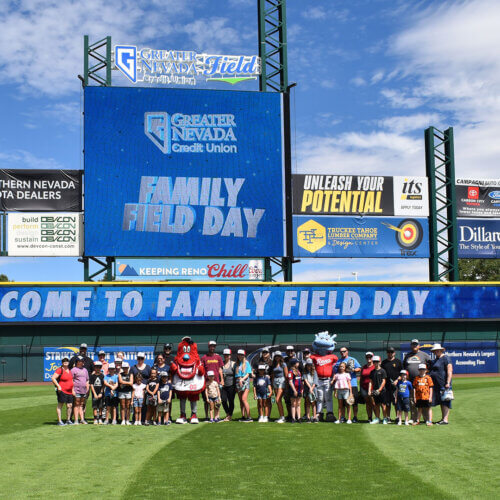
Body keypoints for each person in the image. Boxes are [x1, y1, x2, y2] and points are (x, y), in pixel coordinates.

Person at [403, 339, 431, 423]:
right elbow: (404, 368)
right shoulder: (407, 356)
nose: (414, 346)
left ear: (419, 345)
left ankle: (426, 419)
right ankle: (413, 418)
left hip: (422, 382)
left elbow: (430, 366)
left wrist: (426, 375)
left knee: (424, 400)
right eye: (413, 344)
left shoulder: (424, 355)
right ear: (411, 345)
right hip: (411, 382)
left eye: (416, 344)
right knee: (412, 400)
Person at [334, 346, 361, 422]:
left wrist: (353, 369)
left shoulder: (352, 359)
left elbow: (359, 368)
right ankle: (343, 417)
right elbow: (336, 372)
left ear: (347, 351)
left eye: (344, 351)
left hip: (352, 384)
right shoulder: (339, 361)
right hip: (342, 386)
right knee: (342, 403)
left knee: (353, 402)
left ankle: (355, 417)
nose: (342, 353)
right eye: (341, 351)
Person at [429, 343, 453, 425]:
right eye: (434, 351)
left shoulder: (446, 358)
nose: (435, 352)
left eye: (437, 350)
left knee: (445, 400)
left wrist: (448, 382)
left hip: (444, 383)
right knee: (441, 401)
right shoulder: (436, 359)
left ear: (440, 350)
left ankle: (445, 420)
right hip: (437, 384)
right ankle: (443, 419)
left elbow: (449, 370)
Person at [201, 341, 224, 421]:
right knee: (206, 400)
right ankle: (207, 416)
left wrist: (222, 380)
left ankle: (216, 416)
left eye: (213, 346)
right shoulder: (204, 357)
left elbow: (220, 369)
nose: (212, 348)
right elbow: (202, 370)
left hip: (216, 382)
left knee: (217, 401)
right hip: (206, 382)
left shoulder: (218, 357)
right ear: (208, 347)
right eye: (211, 346)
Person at [381, 346, 403, 422]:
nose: (390, 353)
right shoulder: (384, 363)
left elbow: (402, 374)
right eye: (388, 352)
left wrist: (397, 380)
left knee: (396, 402)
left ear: (394, 353)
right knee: (387, 403)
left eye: (391, 352)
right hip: (386, 386)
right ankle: (388, 417)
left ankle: (397, 417)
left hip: (396, 386)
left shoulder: (398, 362)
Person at [51, 356, 74, 426]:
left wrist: (73, 389)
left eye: (67, 361)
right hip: (62, 390)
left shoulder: (70, 370)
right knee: (60, 405)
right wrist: (58, 386)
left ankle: (68, 420)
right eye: (64, 362)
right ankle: (59, 421)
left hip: (70, 391)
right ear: (62, 363)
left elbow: (71, 380)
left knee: (69, 405)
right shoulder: (60, 370)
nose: (66, 363)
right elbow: (53, 378)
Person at [368, 356, 387, 424]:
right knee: (376, 405)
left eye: (377, 362)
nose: (376, 363)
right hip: (375, 390)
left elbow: (384, 381)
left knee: (383, 405)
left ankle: (385, 418)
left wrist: (379, 390)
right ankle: (377, 418)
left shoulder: (382, 371)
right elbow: (370, 382)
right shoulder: (372, 372)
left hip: (382, 391)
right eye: (374, 362)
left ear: (380, 362)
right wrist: (369, 390)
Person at [71, 356, 89, 425]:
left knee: (81, 405)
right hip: (76, 390)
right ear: (77, 362)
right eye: (79, 361)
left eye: (82, 361)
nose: (80, 362)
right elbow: (71, 380)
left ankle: (82, 419)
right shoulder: (73, 370)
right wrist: (72, 390)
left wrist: (87, 388)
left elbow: (87, 380)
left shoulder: (85, 370)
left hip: (83, 390)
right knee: (76, 404)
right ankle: (76, 420)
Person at [271, 351, 288, 424]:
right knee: (279, 401)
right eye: (276, 356)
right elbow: (273, 374)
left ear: (281, 357)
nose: (277, 357)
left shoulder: (283, 364)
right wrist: (272, 384)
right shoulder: (274, 364)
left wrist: (287, 385)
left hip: (282, 381)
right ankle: (281, 416)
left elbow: (286, 375)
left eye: (278, 356)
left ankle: (283, 417)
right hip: (275, 381)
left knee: (278, 399)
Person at [235, 349, 252, 422]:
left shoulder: (247, 363)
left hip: (245, 382)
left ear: (243, 355)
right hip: (238, 382)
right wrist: (239, 380)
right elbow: (237, 375)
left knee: (244, 399)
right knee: (241, 401)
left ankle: (249, 417)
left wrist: (242, 380)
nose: (240, 356)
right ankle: (243, 416)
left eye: (241, 355)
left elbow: (248, 373)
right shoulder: (237, 364)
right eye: (239, 354)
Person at [358, 352, 375, 422]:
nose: (369, 358)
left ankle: (377, 417)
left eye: (370, 357)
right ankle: (369, 418)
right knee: (367, 403)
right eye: (367, 357)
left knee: (373, 403)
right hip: (364, 387)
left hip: (372, 387)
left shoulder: (374, 366)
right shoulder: (363, 367)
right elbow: (361, 377)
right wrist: (360, 387)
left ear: (372, 358)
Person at [221, 348, 236, 421]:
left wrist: (236, 385)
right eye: (225, 355)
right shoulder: (222, 364)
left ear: (230, 356)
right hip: (224, 385)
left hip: (231, 385)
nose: (226, 356)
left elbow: (236, 375)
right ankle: (227, 413)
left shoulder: (233, 364)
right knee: (223, 400)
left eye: (227, 355)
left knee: (231, 401)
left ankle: (230, 415)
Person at [288, 358, 303, 423]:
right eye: (297, 363)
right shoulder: (290, 372)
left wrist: (302, 389)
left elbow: (300, 380)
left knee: (298, 403)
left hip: (299, 389)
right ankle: (293, 418)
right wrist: (294, 390)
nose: (298, 364)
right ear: (294, 364)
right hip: (294, 390)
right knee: (293, 404)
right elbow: (290, 382)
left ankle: (299, 417)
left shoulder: (298, 371)